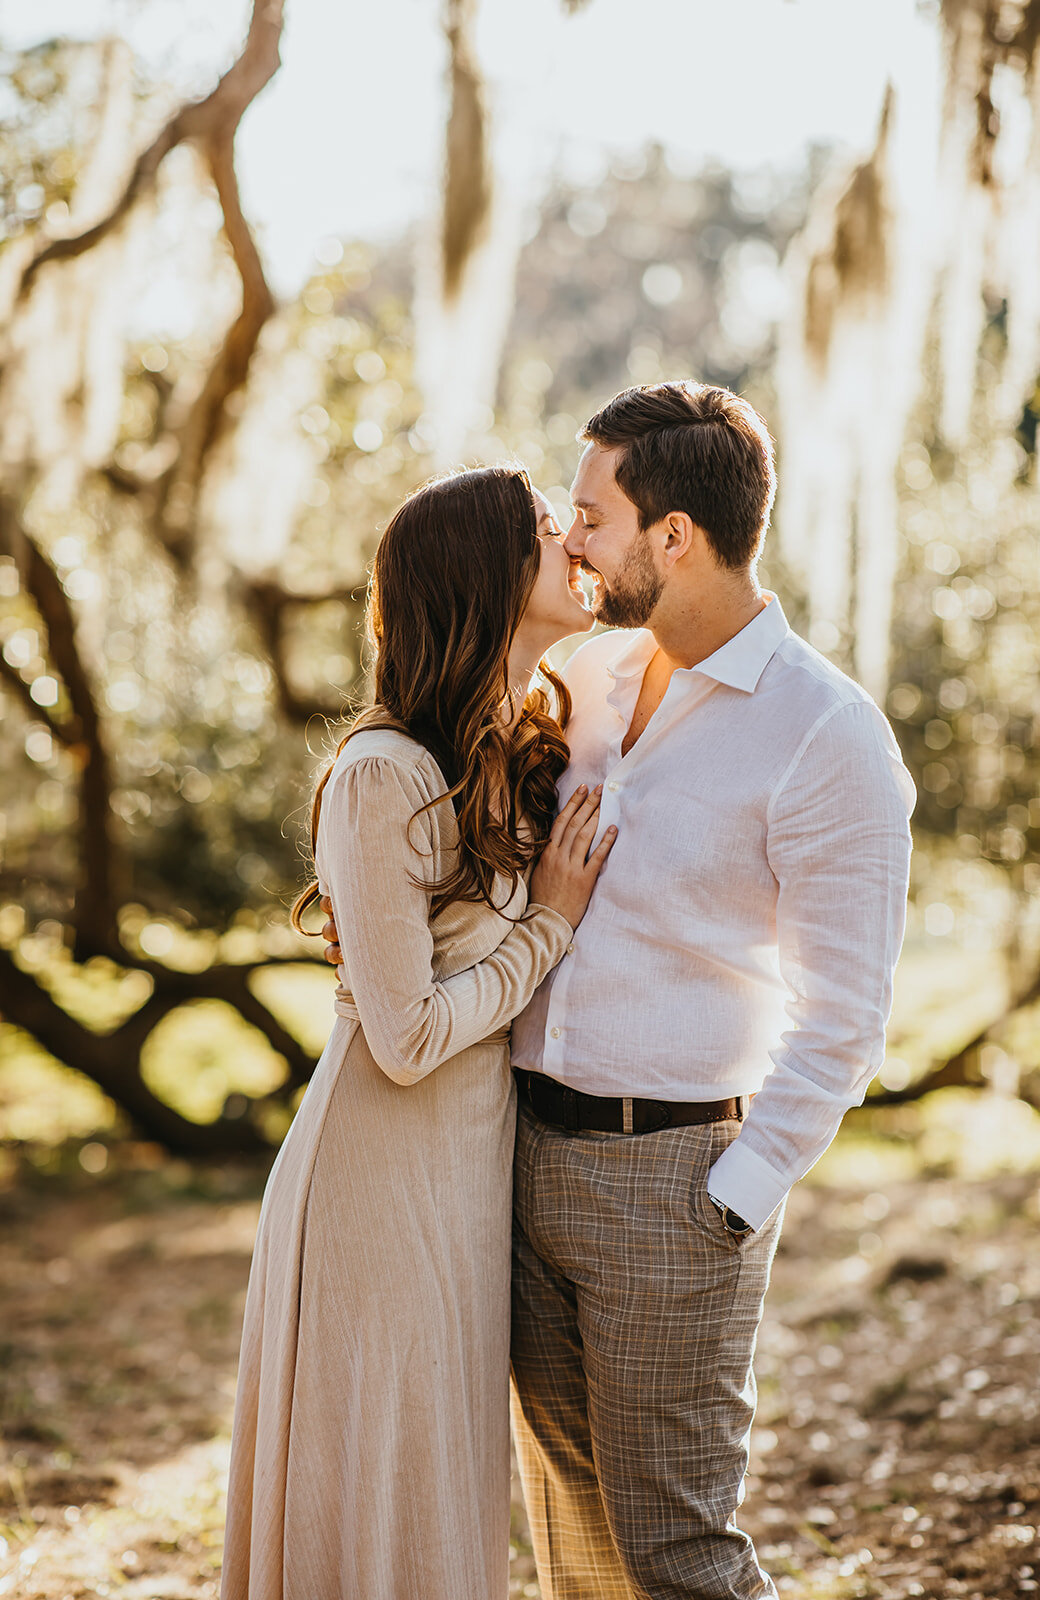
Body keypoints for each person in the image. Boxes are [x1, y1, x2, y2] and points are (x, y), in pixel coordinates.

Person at [320, 380, 915, 1600]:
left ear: (673, 536)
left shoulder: (825, 734)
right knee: (577, 1552)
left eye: (587, 514)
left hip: (672, 1181)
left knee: (680, 1555)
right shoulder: (582, 679)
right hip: (518, 1157)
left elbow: (846, 1017)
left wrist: (731, 1199)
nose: (569, 538)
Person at [220, 465, 616, 1600]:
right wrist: (546, 921)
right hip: (373, 1179)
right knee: (380, 1470)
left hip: (464, 1171)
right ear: (486, 572)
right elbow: (403, 1037)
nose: (575, 547)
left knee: (441, 1469)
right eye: (550, 530)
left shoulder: (515, 741)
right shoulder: (383, 771)